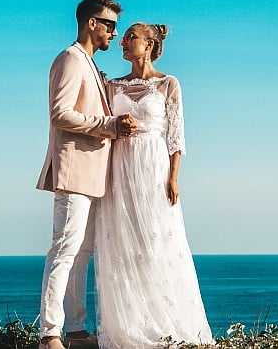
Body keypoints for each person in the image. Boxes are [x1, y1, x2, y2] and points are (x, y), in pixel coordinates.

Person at [94, 23, 214, 349]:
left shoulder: (168, 84)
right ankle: (129, 326)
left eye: (130, 37)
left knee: (155, 242)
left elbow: (176, 136)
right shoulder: (112, 86)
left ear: (148, 44)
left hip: (153, 165)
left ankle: (167, 323)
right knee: (122, 243)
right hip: (119, 167)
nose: (123, 41)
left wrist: (174, 178)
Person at [36, 0, 138, 349]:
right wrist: (108, 125)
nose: (115, 32)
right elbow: (60, 113)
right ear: (91, 23)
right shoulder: (70, 59)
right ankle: (49, 333)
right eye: (109, 24)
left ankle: (76, 330)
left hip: (95, 175)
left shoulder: (92, 66)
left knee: (82, 254)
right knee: (64, 250)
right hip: (75, 170)